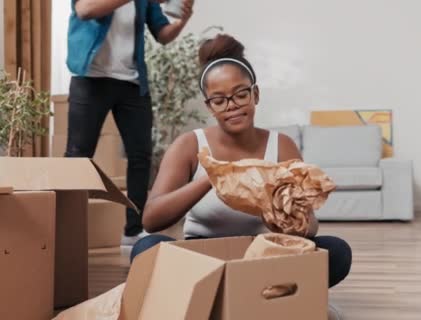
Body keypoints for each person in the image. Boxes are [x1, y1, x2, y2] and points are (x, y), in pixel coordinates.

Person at [131, 34, 352, 291]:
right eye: (219, 100)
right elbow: (151, 220)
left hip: (264, 256)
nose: (232, 106)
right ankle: (250, 296)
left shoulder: (281, 145)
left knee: (336, 251)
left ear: (255, 94)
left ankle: (225, 296)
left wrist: (279, 217)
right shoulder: (190, 145)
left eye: (240, 95)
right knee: (145, 249)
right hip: (202, 258)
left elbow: (311, 226)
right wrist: (213, 177)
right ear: (209, 107)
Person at [65, 0, 193, 246]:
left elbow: (163, 35)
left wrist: (182, 20)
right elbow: (84, 10)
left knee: (141, 156)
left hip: (132, 82)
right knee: (78, 156)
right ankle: (68, 228)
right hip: (90, 78)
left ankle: (133, 230)